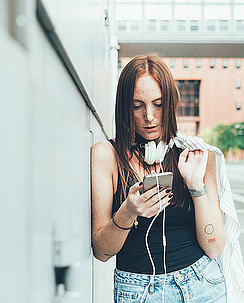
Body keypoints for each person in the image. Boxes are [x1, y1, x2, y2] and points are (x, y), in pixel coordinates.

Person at [91, 54, 228, 302]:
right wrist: (128, 212)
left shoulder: (198, 156)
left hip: (203, 284)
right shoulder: (105, 156)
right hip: (139, 291)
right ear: (124, 107)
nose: (150, 116)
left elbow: (215, 246)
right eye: (137, 106)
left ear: (172, 105)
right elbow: (101, 252)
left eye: (159, 104)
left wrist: (196, 186)